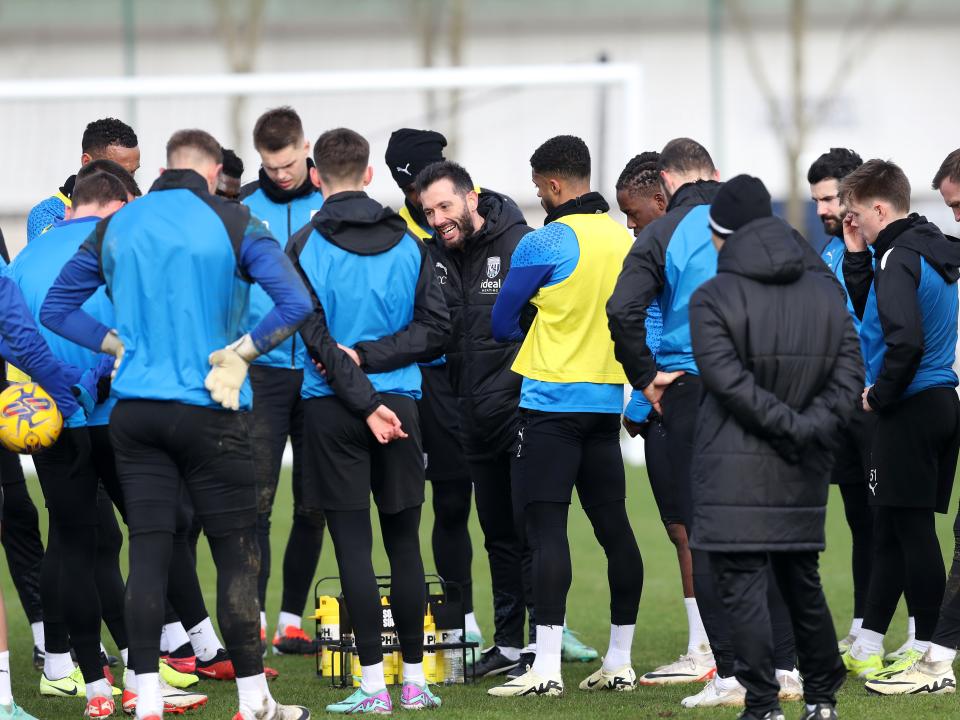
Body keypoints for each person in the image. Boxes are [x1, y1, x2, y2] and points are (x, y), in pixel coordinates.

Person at [40, 128, 312, 720]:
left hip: (134, 412)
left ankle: (148, 703)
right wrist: (243, 352)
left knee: (148, 552)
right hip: (209, 407)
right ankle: (251, 701)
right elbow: (296, 304)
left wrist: (114, 345)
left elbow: (55, 308)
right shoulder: (233, 220)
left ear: (165, 168)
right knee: (236, 553)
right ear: (214, 172)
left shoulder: (117, 224)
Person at [607, 139, 805, 707]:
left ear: (665, 181)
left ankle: (735, 674)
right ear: (715, 173)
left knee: (709, 538)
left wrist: (644, 377)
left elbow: (622, 310)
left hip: (696, 392)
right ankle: (787, 668)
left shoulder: (663, 233)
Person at [689, 173, 861, 720]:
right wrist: (808, 426)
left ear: (724, 234)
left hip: (735, 464)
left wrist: (789, 424)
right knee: (800, 581)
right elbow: (850, 371)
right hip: (803, 461)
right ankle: (822, 701)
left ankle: (762, 704)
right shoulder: (824, 288)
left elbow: (727, 382)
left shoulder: (713, 296)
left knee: (743, 586)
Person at [289, 127, 449, 713]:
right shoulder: (413, 243)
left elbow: (314, 340)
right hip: (401, 406)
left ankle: (373, 688)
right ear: (370, 175)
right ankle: (415, 682)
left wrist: (355, 365)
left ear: (315, 176)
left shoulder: (302, 246)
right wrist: (378, 368)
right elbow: (436, 330)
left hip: (332, 408)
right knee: (405, 545)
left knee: (353, 549)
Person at [488, 135, 643, 697]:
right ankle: (619, 661)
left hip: (549, 407)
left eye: (538, 189)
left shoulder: (547, 240)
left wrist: (539, 319)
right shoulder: (626, 239)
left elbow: (501, 323)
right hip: (606, 405)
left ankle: (547, 669)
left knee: (546, 531)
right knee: (616, 530)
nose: (539, 199)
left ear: (553, 185)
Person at [832, 159, 960, 695]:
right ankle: (873, 642)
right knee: (897, 528)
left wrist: (879, 395)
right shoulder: (931, 246)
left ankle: (931, 660)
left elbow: (902, 339)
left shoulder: (898, 257)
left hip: (908, 407)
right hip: (941, 402)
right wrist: (859, 257)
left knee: (908, 534)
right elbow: (890, 318)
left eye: (855, 214)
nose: (850, 225)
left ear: (879, 208)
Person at [415, 159, 538, 677]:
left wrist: (512, 391)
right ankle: (509, 645)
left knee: (533, 533)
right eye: (427, 211)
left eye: (445, 205)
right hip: (470, 416)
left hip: (522, 413)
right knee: (497, 536)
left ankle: (543, 643)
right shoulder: (431, 257)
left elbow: (541, 328)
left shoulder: (521, 245)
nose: (437, 218)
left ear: (471, 198)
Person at [384, 129, 485, 654]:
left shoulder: (468, 216)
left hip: (456, 381)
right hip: (410, 381)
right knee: (406, 507)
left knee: (454, 501)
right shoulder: (394, 232)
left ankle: (464, 617)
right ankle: (431, 620)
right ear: (406, 178)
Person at [615, 151, 713, 686]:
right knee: (680, 528)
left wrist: (639, 399)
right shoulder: (665, 243)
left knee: (694, 527)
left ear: (661, 198)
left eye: (632, 212)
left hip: (677, 397)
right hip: (665, 402)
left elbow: (645, 322)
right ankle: (705, 644)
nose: (630, 225)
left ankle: (713, 649)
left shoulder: (671, 244)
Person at [240, 107, 326, 655]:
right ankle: (252, 621)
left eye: (289, 163)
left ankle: (291, 622)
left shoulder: (332, 202)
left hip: (320, 372)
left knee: (314, 503)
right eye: (271, 167)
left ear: (306, 147)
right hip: (264, 374)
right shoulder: (242, 207)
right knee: (256, 505)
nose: (281, 175)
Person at [26, 117, 140, 242]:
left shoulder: (137, 208)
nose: (128, 183)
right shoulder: (47, 213)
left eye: (133, 172)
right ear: (86, 162)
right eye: (117, 173)